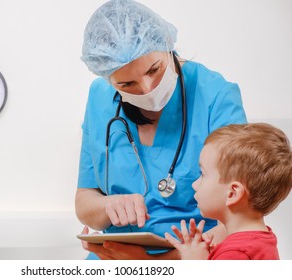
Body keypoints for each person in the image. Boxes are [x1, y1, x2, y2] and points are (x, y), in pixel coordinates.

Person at [76, 0, 247, 260]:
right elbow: (85, 200)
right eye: (127, 83)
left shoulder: (216, 96)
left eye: (154, 69)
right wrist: (107, 205)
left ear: (166, 44)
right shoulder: (99, 97)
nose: (147, 88)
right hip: (115, 259)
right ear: (107, 78)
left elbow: (241, 216)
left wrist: (153, 265)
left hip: (195, 258)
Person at [164, 123, 292, 260]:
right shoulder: (262, 240)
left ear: (232, 193)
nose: (195, 185)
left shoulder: (236, 253)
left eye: (203, 174)